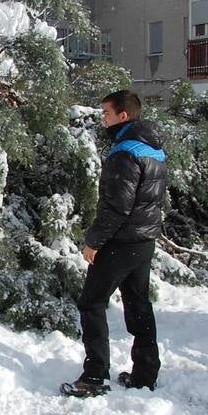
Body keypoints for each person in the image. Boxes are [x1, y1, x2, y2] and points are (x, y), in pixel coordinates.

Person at [61, 90, 168, 398]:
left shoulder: (124, 152)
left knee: (91, 303)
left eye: (106, 113)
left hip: (121, 241)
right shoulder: (152, 149)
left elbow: (117, 206)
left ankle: (94, 377)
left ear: (124, 115)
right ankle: (145, 373)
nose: (102, 118)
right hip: (144, 240)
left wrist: (93, 241)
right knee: (138, 304)